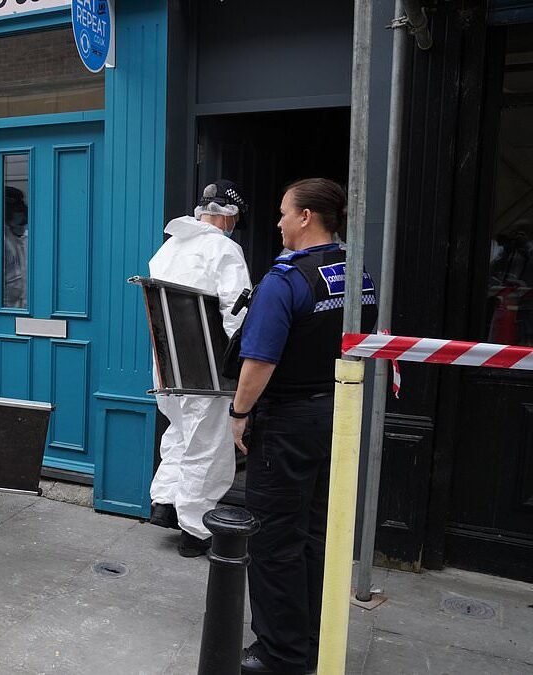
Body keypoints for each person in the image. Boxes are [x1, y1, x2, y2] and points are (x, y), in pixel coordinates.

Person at [229, 178, 376, 674]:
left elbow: (259, 360)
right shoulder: (358, 274)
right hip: (337, 415)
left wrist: (239, 413)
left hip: (287, 421)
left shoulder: (285, 279)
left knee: (272, 540)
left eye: (284, 213)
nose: (278, 222)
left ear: (307, 217)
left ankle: (279, 653)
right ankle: (314, 639)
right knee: (317, 532)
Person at [146, 180, 252, 557]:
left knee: (179, 432)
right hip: (207, 365)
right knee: (208, 445)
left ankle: (165, 503)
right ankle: (196, 531)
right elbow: (236, 311)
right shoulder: (224, 249)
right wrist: (242, 368)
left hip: (167, 362)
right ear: (231, 216)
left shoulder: (169, 247)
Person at [2, 186, 29, 308]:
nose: (22, 229)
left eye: (24, 223)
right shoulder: (2, 243)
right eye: (18, 225)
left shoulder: (27, 239)